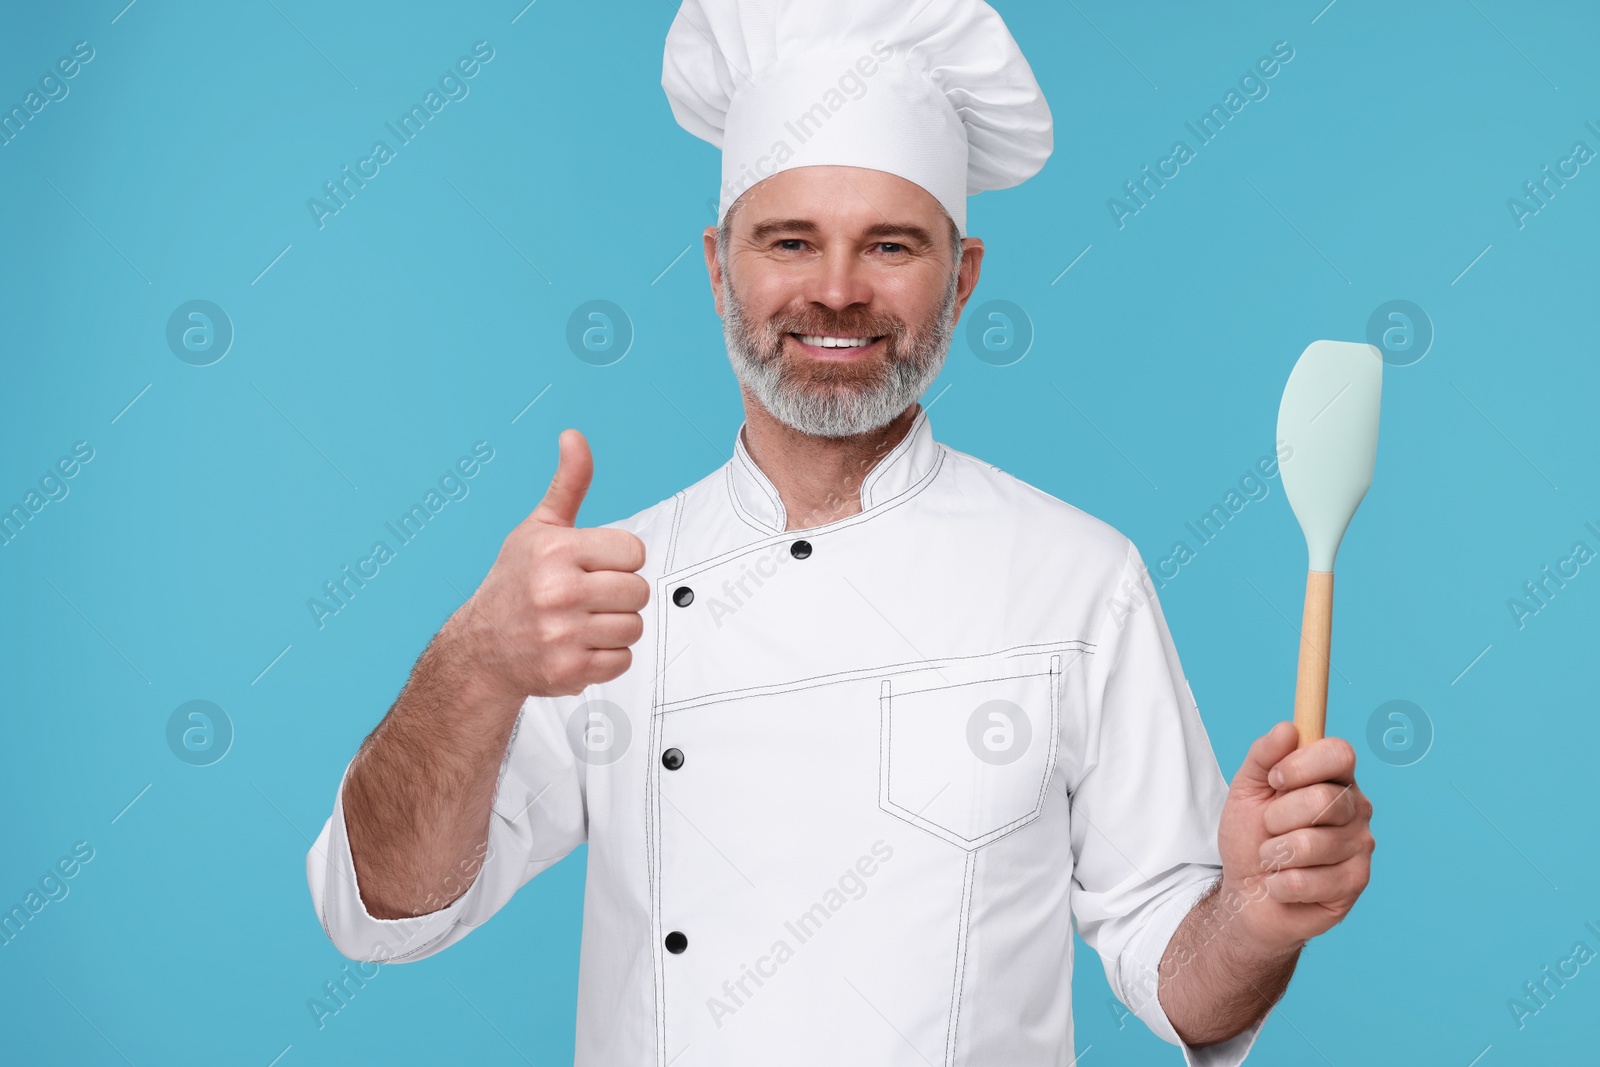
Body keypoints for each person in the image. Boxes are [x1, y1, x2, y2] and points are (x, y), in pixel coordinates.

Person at [306, 1, 1375, 1063]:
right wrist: (476, 663)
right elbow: (391, 908)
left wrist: (1251, 912)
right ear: (719, 267)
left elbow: (1177, 975)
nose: (835, 290)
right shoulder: (601, 588)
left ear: (960, 281)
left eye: (891, 244)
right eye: (790, 240)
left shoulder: (1078, 577)